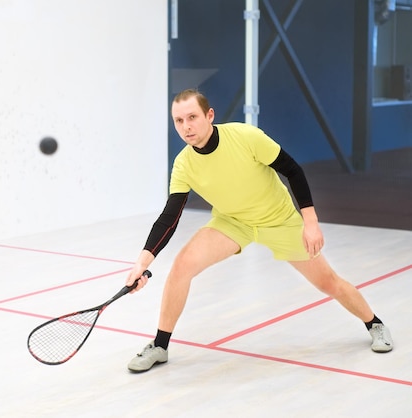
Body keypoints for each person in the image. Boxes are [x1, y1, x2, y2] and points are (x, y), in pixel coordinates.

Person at [125, 89, 393, 373]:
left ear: (209, 115)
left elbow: (293, 170)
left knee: (328, 282)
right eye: (178, 121)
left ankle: (374, 323)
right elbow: (170, 217)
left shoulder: (245, 137)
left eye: (192, 117)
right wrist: (141, 264)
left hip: (278, 219)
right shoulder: (184, 164)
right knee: (182, 266)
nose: (186, 126)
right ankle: (160, 346)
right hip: (232, 222)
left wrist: (310, 222)